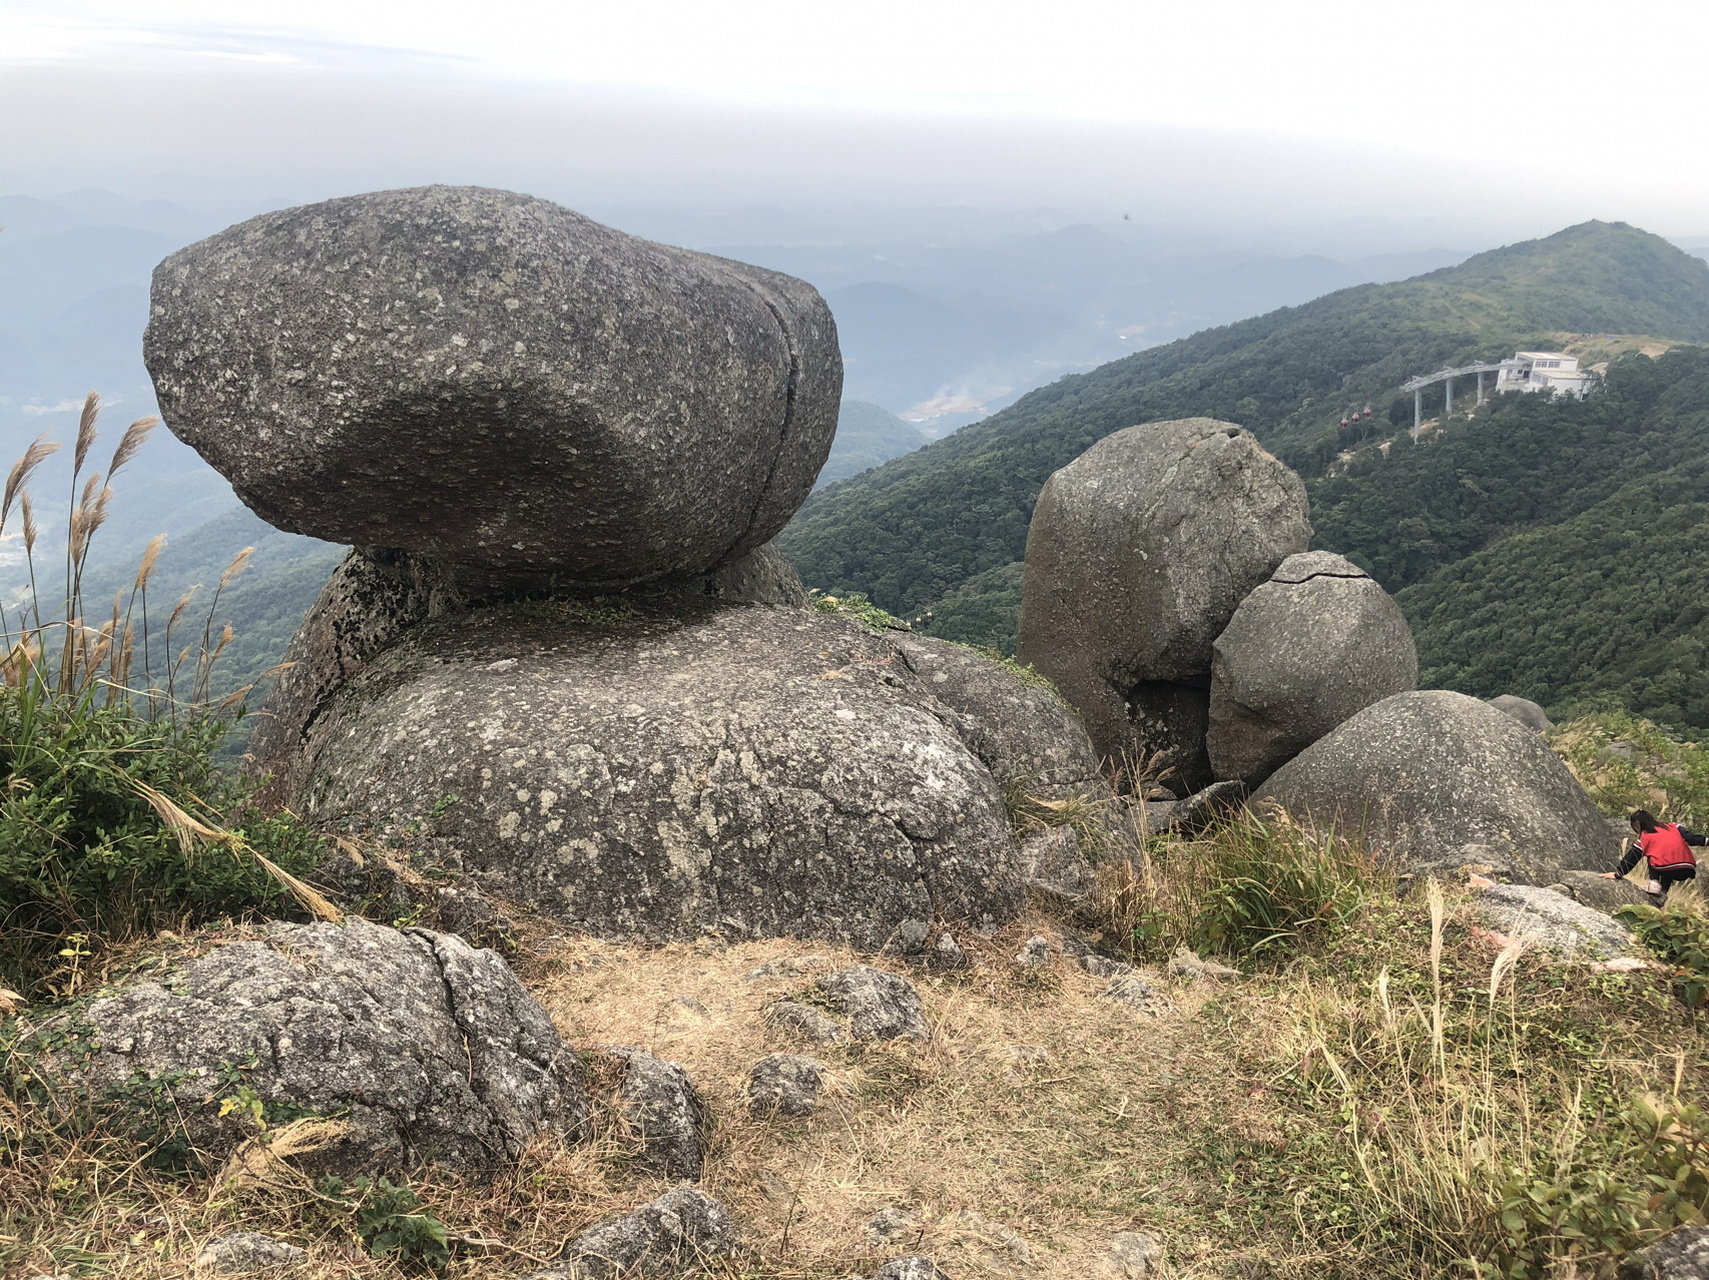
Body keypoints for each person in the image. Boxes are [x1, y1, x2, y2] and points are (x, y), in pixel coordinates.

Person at [1601, 810, 1707, 898]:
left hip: (1664, 867)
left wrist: (1618, 874)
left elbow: (1632, 857)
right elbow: (1691, 839)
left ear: (1637, 825)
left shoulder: (1645, 837)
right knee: (1666, 864)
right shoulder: (1674, 826)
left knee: (1654, 857)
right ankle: (1663, 894)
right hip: (1687, 868)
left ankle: (1654, 883)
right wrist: (1706, 841)